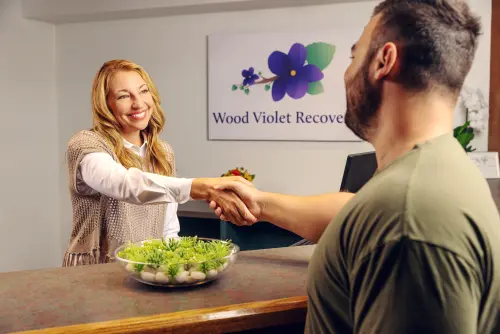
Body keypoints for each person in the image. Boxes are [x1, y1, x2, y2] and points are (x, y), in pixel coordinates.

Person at [211, 0, 500, 333]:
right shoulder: (433, 173)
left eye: (353, 57)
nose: (347, 74)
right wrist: (259, 202)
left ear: (383, 61)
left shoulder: (407, 216)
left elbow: (387, 219)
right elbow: (353, 214)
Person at [64, 59, 256, 267]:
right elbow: (126, 185)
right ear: (105, 104)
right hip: (94, 270)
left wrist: (176, 267)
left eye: (143, 91)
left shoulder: (162, 152)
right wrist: (200, 187)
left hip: (145, 268)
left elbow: (168, 228)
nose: (138, 103)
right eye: (123, 96)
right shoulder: (86, 144)